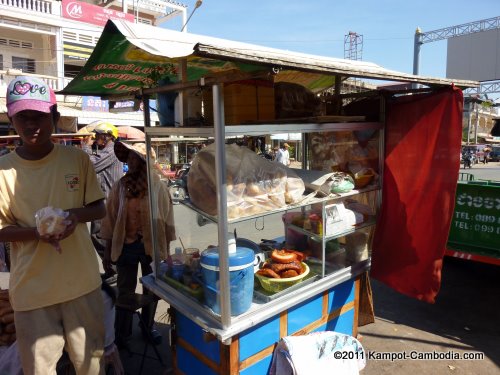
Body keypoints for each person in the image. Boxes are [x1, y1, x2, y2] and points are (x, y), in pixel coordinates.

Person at [0, 76, 106, 374]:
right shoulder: (3, 170)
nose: (32, 124)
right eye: (23, 117)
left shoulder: (77, 159)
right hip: (32, 294)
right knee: (38, 370)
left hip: (82, 285)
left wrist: (71, 217)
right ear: (12, 119)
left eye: (40, 116)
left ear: (55, 118)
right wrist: (37, 233)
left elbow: (98, 208)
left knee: (91, 365)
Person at [100, 142, 176, 347]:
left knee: (152, 291)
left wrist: (167, 251)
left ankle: (147, 326)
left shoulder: (157, 186)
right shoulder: (121, 186)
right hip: (126, 246)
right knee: (125, 289)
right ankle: (122, 332)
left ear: (144, 162)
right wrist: (107, 252)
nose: (131, 163)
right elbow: (110, 218)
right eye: (129, 158)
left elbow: (167, 219)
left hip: (152, 247)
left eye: (136, 159)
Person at [82, 121, 123, 261]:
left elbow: (91, 165)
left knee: (100, 235)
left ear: (107, 136)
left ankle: (113, 267)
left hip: (108, 201)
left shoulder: (112, 150)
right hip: (106, 199)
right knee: (103, 235)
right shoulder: (106, 150)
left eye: (97, 135)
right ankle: (112, 267)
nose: (95, 138)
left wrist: (86, 147)